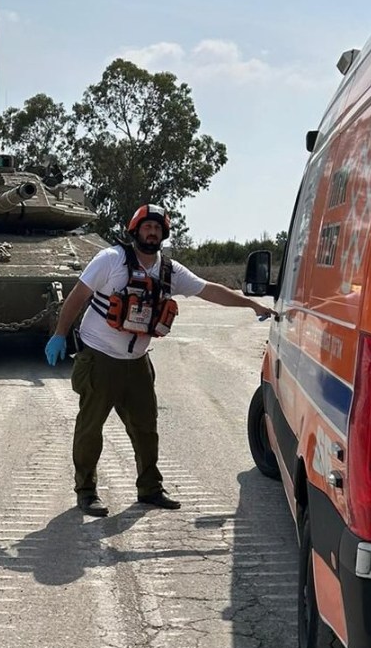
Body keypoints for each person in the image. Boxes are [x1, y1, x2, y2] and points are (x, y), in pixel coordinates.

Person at [45, 204, 275, 517]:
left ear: (163, 234)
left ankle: (150, 489)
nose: (152, 233)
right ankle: (86, 491)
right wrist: (60, 334)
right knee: (90, 429)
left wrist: (250, 304)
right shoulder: (110, 260)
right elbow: (77, 297)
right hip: (99, 358)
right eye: (146, 227)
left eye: (157, 228)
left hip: (138, 362)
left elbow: (210, 290)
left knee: (146, 429)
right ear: (135, 230)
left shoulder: (169, 271)